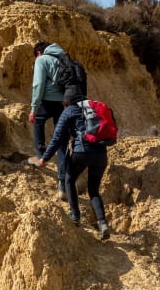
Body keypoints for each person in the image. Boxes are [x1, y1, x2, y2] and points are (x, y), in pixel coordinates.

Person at [36, 84, 111, 240]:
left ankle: (75, 215)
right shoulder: (95, 107)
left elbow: (57, 138)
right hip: (101, 154)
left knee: (69, 179)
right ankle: (103, 223)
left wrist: (45, 157)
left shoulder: (69, 110)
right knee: (93, 190)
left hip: (81, 152)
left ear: (68, 99)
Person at [27, 41, 69, 199]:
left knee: (38, 121)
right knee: (62, 142)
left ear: (38, 52)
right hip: (64, 102)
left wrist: (33, 108)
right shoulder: (63, 58)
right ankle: (62, 184)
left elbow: (38, 84)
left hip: (47, 101)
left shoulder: (41, 59)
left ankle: (40, 155)